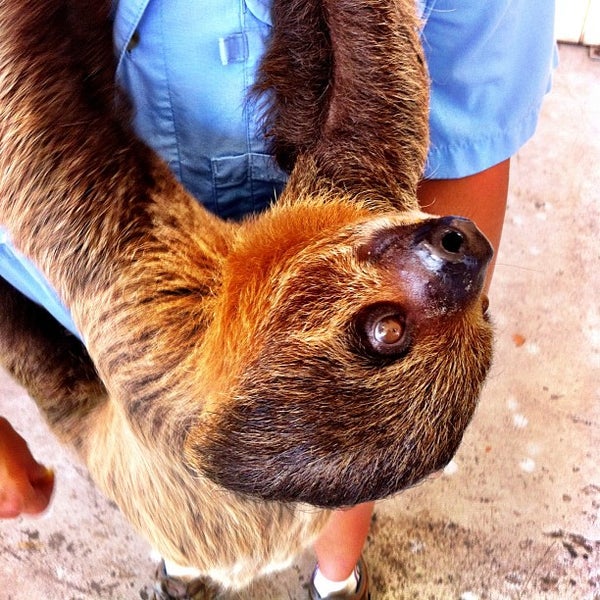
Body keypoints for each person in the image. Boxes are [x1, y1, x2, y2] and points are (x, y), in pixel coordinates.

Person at [0, 0, 557, 598]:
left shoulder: (149, 311)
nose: (465, 253)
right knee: (342, 460)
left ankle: (206, 571)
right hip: (259, 417)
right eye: (476, 310)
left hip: (164, 430)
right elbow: (369, 102)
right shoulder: (353, 250)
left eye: (389, 329)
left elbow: (38, 98)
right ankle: (332, 579)